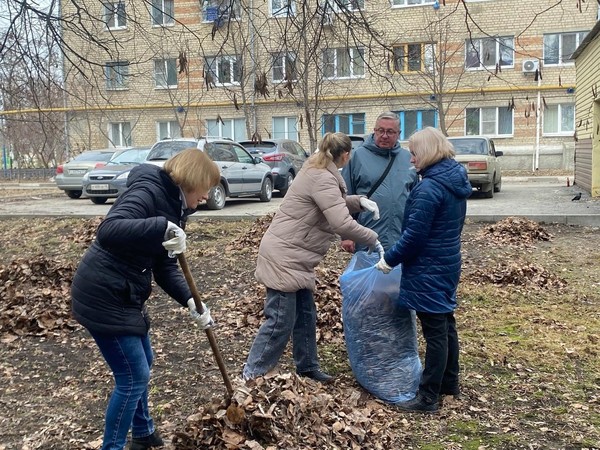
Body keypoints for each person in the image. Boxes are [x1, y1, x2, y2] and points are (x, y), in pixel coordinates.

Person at [71, 148, 220, 450]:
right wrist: (160, 226)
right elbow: (109, 231)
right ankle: (112, 447)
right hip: (103, 293)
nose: (206, 196)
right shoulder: (149, 190)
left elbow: (165, 264)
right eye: (205, 188)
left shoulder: (177, 206)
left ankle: (143, 433)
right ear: (192, 180)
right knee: (132, 375)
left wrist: (191, 300)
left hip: (123, 292)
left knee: (143, 363)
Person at [243, 132, 382, 383]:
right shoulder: (322, 177)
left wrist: (359, 202)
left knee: (306, 315)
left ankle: (307, 367)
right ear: (346, 155)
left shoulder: (317, 169)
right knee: (279, 321)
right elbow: (340, 223)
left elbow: (332, 204)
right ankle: (252, 374)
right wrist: (372, 237)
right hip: (285, 256)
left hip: (295, 255)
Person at [374, 127, 472, 413]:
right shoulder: (453, 180)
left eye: (414, 153)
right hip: (447, 261)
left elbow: (415, 236)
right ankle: (449, 384)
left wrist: (389, 259)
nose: (411, 159)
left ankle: (428, 397)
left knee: (435, 332)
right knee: (445, 323)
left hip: (430, 266)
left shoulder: (429, 187)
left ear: (427, 152)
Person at [341, 111, 418, 252]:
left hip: (401, 238)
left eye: (390, 132)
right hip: (367, 237)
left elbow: (416, 199)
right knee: (369, 274)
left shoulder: (408, 159)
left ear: (398, 133)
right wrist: (347, 235)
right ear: (374, 130)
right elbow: (344, 198)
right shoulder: (357, 157)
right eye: (380, 130)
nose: (384, 136)